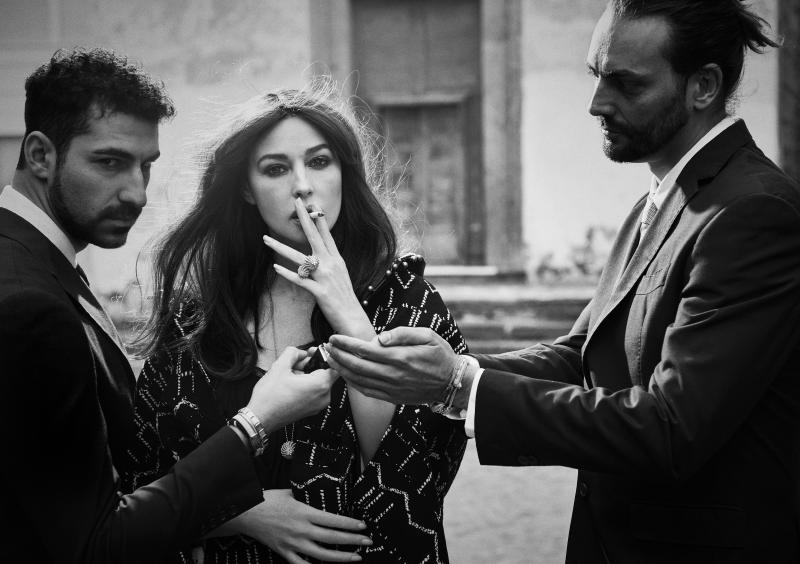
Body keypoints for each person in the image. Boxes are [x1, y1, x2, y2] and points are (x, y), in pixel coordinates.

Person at [327, 1, 800, 563]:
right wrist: (441, 371)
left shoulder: (751, 212)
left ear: (703, 86)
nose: (597, 102)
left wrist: (459, 386)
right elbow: (583, 356)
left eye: (626, 83)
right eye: (596, 75)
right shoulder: (662, 199)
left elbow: (671, 429)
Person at [0, 49, 342, 563]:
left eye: (146, 166)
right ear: (40, 155)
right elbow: (95, 547)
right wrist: (255, 422)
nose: (137, 193)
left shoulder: (39, 263)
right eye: (110, 162)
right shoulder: (27, 302)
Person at [120, 86, 467, 563]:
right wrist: (240, 513)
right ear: (247, 189)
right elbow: (143, 488)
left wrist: (347, 309)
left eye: (320, 162)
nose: (302, 185)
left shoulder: (407, 300)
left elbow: (412, 476)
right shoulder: (196, 322)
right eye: (276, 169)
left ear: (344, 174)